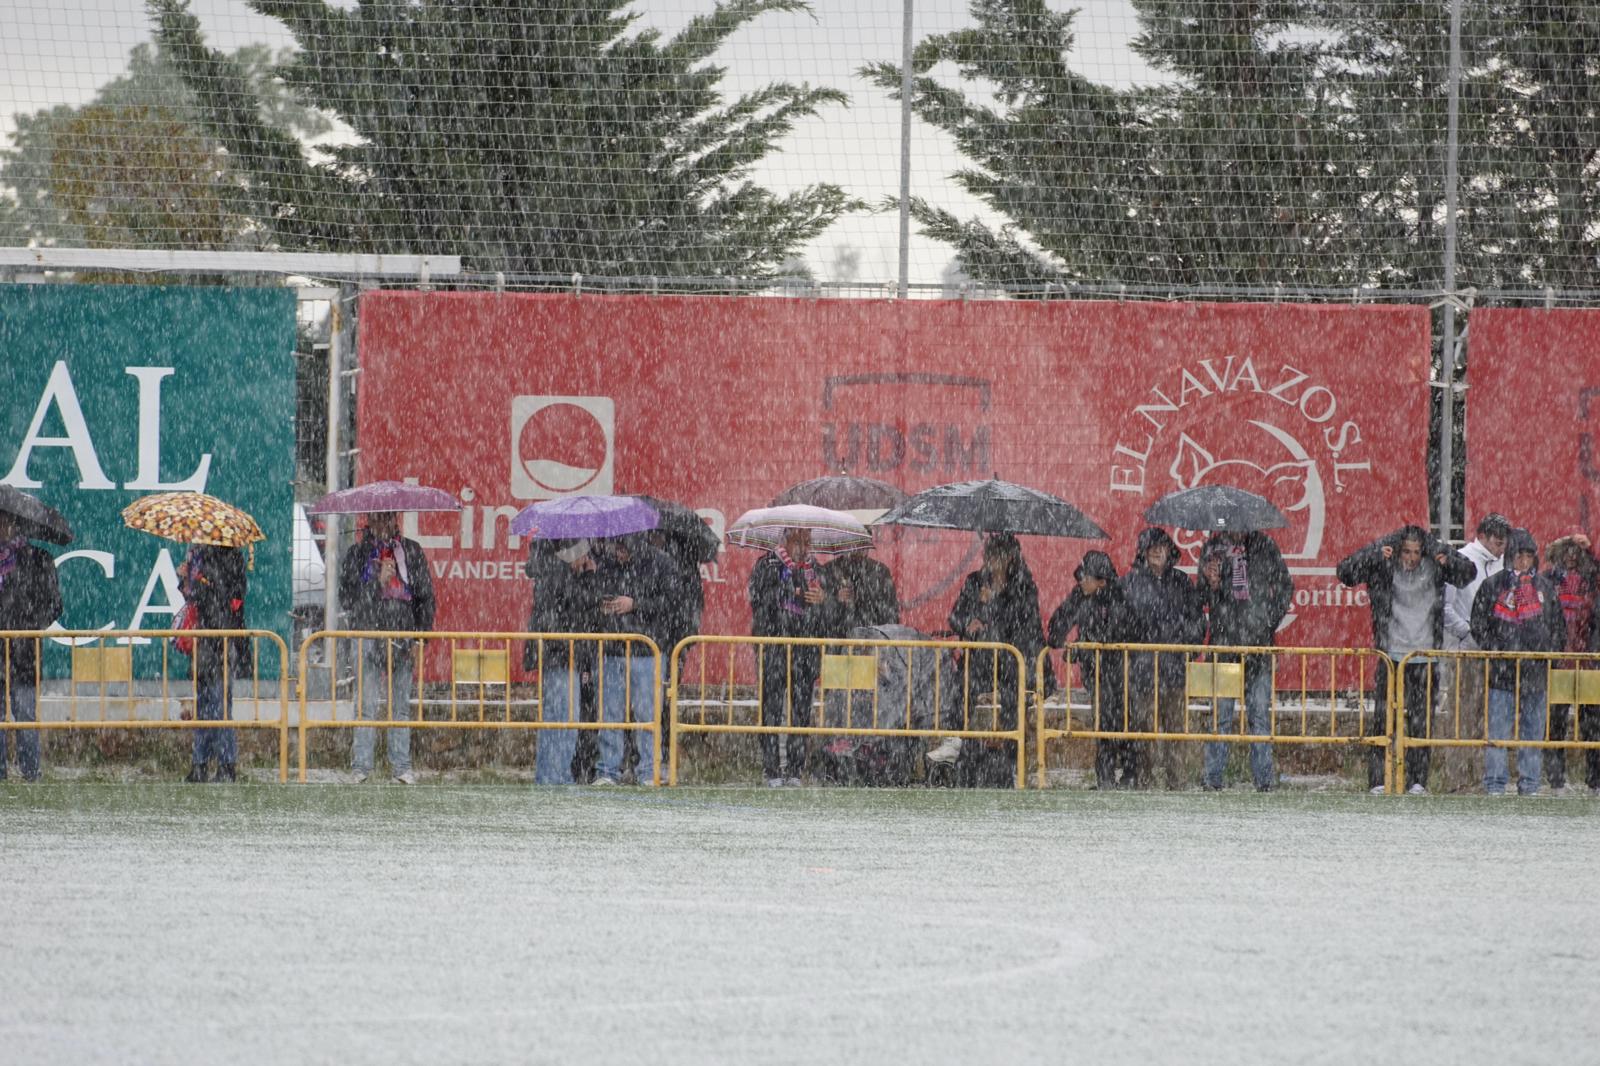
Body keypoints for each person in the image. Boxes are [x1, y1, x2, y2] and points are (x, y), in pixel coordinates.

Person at [1336, 525, 1474, 794]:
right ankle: (1379, 780)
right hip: (1391, 656)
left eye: (1416, 553)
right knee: (1384, 721)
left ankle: (1417, 781)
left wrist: (1447, 556)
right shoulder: (1383, 562)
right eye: (1406, 552)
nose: (1411, 558)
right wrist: (1374, 556)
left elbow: (1468, 574)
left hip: (1424, 657)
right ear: (1397, 551)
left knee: (1421, 724)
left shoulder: (1436, 563)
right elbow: (1345, 572)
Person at [940, 533, 1046, 787]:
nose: (992, 561)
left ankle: (1011, 760)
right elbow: (955, 617)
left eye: (998, 556)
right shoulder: (975, 582)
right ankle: (957, 746)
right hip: (980, 657)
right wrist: (969, 622)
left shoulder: (1024, 586)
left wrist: (991, 604)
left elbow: (1023, 624)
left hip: (1012, 659)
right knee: (962, 690)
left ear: (1011, 558)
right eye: (989, 555)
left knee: (1013, 703)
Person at [339, 511, 436, 785]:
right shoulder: (357, 554)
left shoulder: (411, 551)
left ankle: (401, 768)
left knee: (400, 707)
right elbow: (347, 599)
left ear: (395, 520)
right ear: (368, 521)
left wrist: (421, 637)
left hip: (402, 637)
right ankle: (361, 768)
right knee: (366, 706)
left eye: (388, 518)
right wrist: (376, 582)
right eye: (377, 519)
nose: (383, 524)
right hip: (368, 635)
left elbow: (425, 596)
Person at [1470, 528, 1564, 796]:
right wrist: (1498, 650)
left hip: (1535, 674)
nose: (1523, 562)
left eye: (1528, 557)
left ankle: (1530, 784)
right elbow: (1479, 625)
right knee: (1497, 733)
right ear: (1509, 557)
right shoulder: (1494, 586)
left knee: (1532, 735)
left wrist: (1547, 658)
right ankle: (1495, 785)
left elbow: (1557, 628)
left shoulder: (1544, 588)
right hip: (1502, 673)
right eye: (1519, 556)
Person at [1197, 529, 1293, 791]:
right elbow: (1201, 597)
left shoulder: (1264, 545)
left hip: (1259, 648)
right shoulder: (1213, 547)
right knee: (1220, 718)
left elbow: (1285, 585)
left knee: (1260, 716)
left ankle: (1264, 780)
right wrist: (1211, 583)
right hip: (1224, 645)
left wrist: (1267, 621)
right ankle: (1212, 779)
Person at [592, 535, 683, 785]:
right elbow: (593, 595)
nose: (618, 553)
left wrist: (636, 605)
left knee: (648, 714)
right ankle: (607, 770)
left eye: (622, 547)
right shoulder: (606, 564)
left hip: (647, 650)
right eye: (615, 547)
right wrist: (602, 604)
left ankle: (649, 770)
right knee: (609, 712)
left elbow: (673, 602)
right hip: (611, 648)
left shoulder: (662, 563)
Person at [1120, 528, 1205, 789]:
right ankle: (1143, 780)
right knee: (1142, 730)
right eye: (1152, 547)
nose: (1158, 551)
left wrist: (1186, 643)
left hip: (1174, 668)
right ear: (1143, 552)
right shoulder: (1130, 583)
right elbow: (1121, 622)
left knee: (1175, 730)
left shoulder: (1181, 582)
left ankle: (1176, 781)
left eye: (1162, 547)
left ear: (1170, 551)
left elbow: (1197, 619)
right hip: (1142, 669)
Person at [749, 527, 831, 786]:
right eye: (799, 541)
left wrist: (824, 600)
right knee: (771, 708)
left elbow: (830, 613)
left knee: (800, 711)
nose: (804, 547)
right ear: (786, 540)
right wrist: (789, 590)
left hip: (804, 650)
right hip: (774, 646)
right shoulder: (768, 564)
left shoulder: (817, 569)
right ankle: (772, 769)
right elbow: (759, 601)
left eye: (808, 541)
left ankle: (795, 770)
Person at [1047, 550, 1136, 789]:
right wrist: (1068, 642)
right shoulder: (1080, 596)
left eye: (1086, 577)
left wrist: (1082, 647)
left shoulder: (1117, 597)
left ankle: (1129, 776)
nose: (1081, 581)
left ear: (1101, 581)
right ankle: (1105, 778)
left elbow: (1113, 634)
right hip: (1096, 673)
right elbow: (1057, 626)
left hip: (1122, 671)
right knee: (1104, 723)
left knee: (1123, 723)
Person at [1438, 512, 1509, 791]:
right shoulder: (1462, 560)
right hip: (1465, 652)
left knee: (1487, 718)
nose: (1501, 547)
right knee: (1462, 716)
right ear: (1482, 536)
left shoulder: (1503, 564)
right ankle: (1457, 779)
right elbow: (1446, 608)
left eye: (1504, 542)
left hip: (1496, 653)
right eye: (1497, 541)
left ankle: (1483, 778)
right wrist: (1468, 633)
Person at [527, 538, 602, 785]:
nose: (586, 560)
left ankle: (550, 775)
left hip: (558, 655)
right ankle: (556, 776)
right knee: (564, 718)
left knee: (556, 718)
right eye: (583, 555)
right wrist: (590, 577)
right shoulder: (559, 575)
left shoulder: (550, 572)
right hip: (561, 655)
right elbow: (581, 605)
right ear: (574, 556)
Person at [178, 543, 250, 783]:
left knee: (219, 706)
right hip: (204, 641)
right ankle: (200, 764)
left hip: (221, 641)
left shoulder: (228, 557)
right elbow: (195, 599)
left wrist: (198, 581)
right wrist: (187, 580)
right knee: (204, 705)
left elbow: (223, 599)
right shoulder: (199, 557)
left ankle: (226, 765)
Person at [0, 514, 62, 782]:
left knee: (25, 714)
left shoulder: (39, 559)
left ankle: (31, 772)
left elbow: (54, 604)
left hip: (24, 652)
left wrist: (28, 628)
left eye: (6, 522)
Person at [1542, 533, 1600, 795]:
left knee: (1593, 723)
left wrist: (1592, 550)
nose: (1572, 556)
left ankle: (1594, 780)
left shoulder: (1592, 580)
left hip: (1588, 660)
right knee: (1556, 722)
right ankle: (1556, 780)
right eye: (1568, 550)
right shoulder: (1550, 579)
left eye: (1577, 551)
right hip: (1560, 661)